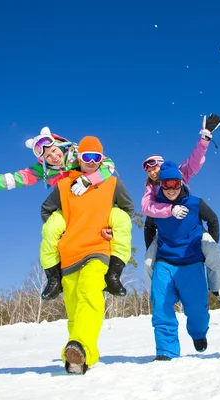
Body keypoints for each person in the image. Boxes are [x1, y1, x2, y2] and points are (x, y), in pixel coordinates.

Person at [0, 127, 132, 297]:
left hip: (95, 201)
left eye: (53, 150)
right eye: (47, 156)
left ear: (58, 145)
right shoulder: (41, 171)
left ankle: (114, 274)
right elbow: (10, 180)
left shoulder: (77, 152)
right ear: (42, 160)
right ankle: (54, 278)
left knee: (121, 220)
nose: (53, 156)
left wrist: (90, 179)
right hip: (69, 206)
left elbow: (108, 164)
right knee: (51, 229)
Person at [40, 135, 134, 374]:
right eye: (86, 156)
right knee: (74, 308)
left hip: (98, 250)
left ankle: (80, 346)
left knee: (90, 294)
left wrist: (113, 227)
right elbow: (46, 211)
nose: (91, 161)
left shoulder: (112, 183)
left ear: (102, 159)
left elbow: (128, 209)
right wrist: (63, 228)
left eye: (96, 157)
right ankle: (78, 358)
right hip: (70, 253)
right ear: (78, 157)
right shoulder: (64, 186)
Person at [141, 114, 220, 312]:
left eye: (155, 166)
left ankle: (219, 291)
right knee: (149, 261)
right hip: (167, 236)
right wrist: (169, 210)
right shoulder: (151, 190)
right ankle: (160, 297)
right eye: (148, 169)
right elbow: (146, 210)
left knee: (212, 253)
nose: (152, 171)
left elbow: (194, 160)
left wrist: (205, 137)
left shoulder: (179, 175)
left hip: (191, 230)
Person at [150, 161, 213, 360]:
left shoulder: (195, 203)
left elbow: (213, 220)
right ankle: (166, 351)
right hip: (165, 261)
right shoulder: (156, 206)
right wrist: (151, 250)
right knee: (161, 304)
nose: (170, 189)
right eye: (166, 184)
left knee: (197, 309)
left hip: (192, 261)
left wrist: (211, 242)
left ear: (181, 183)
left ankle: (198, 333)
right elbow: (148, 227)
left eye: (175, 184)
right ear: (161, 184)